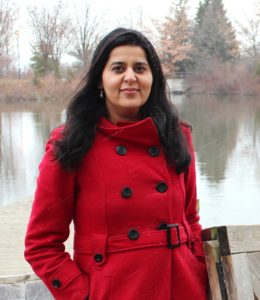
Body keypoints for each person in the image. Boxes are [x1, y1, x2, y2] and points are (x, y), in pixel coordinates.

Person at [24, 28, 209, 300]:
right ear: (100, 79)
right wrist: (84, 295)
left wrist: (199, 267)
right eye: (118, 68)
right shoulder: (71, 144)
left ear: (153, 78)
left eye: (140, 68)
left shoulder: (177, 136)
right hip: (115, 291)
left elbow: (190, 219)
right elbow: (41, 245)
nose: (130, 77)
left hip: (183, 287)